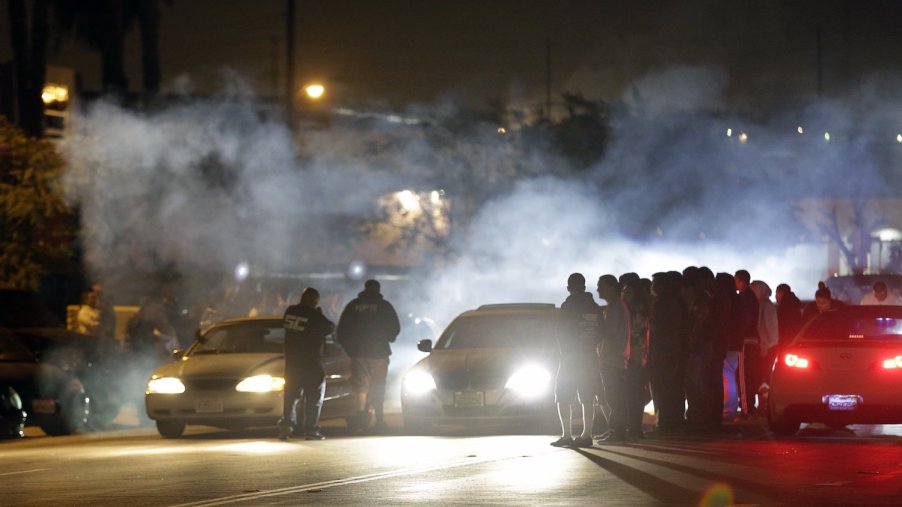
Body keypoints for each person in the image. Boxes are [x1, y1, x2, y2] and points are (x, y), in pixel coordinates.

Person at [336, 279, 401, 432]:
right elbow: (395, 327)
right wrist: (389, 338)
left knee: (360, 386)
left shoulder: (353, 306)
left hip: (358, 354)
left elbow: (342, 329)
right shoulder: (384, 306)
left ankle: (360, 419)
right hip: (379, 353)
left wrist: (349, 348)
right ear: (378, 290)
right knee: (378, 385)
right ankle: (379, 420)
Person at [550, 273, 600, 448]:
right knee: (587, 395)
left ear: (568, 288)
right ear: (585, 287)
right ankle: (587, 435)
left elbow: (561, 332)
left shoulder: (568, 306)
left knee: (563, 395)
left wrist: (565, 352)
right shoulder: (595, 307)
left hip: (571, 358)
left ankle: (567, 435)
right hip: (590, 356)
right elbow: (600, 332)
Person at [279, 287, 335, 441]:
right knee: (314, 398)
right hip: (312, 363)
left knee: (290, 396)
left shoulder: (290, 311)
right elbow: (330, 327)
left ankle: (286, 427)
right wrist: (319, 313)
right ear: (315, 300)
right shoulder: (315, 316)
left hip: (292, 363)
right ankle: (311, 430)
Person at [596, 274, 632, 443]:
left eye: (600, 286)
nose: (598, 290)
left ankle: (617, 433)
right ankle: (615, 430)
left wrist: (601, 356)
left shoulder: (614, 307)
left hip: (613, 358)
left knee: (614, 397)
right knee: (615, 396)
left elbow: (609, 335)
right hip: (619, 357)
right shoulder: (619, 305)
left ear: (611, 287)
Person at [733, 269, 759, 417]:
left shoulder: (744, 298)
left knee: (743, 376)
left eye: (736, 281)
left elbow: (744, 320)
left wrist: (738, 334)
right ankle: (750, 405)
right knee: (749, 375)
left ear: (741, 282)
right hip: (752, 340)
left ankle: (746, 408)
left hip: (745, 341)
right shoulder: (752, 297)